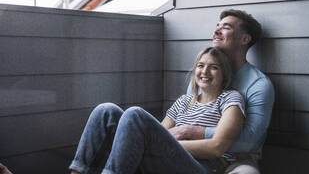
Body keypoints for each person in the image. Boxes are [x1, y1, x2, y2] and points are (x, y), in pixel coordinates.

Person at [69, 47, 245, 174]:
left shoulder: (230, 98)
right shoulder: (183, 101)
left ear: (224, 74)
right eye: (200, 65)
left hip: (206, 166)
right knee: (105, 110)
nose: (205, 71)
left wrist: (173, 144)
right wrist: (165, 142)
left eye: (214, 67)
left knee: (135, 114)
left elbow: (216, 148)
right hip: (170, 161)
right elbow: (157, 135)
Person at [173, 9, 275, 174]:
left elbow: (251, 141)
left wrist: (195, 131)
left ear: (244, 39)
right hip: (193, 150)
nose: (216, 31)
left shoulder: (259, 85)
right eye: (217, 26)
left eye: (226, 27)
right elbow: (185, 114)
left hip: (237, 158)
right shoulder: (203, 77)